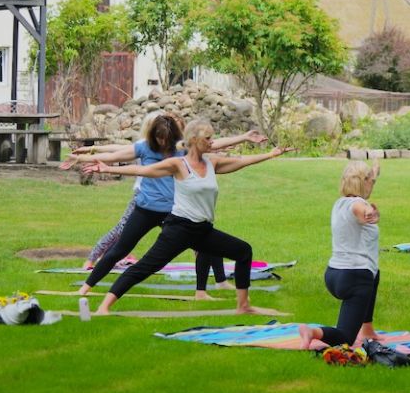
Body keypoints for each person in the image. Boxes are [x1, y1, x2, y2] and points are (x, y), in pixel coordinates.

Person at [82, 119, 293, 315]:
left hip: (203, 230)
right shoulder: (178, 164)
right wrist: (107, 168)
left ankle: (244, 306)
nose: (212, 142)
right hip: (179, 229)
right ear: (194, 140)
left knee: (243, 251)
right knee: (145, 267)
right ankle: (104, 306)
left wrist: (271, 154)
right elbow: (143, 169)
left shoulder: (213, 163)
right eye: (208, 138)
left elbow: (243, 160)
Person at [298, 161, 382, 350]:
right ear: (364, 182)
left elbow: (362, 197)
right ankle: (312, 332)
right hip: (355, 278)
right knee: (345, 339)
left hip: (334, 274)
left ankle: (367, 328)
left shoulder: (339, 204)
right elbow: (363, 211)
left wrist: (375, 171)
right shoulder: (360, 205)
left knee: (376, 272)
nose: (373, 184)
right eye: (371, 181)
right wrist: (371, 214)